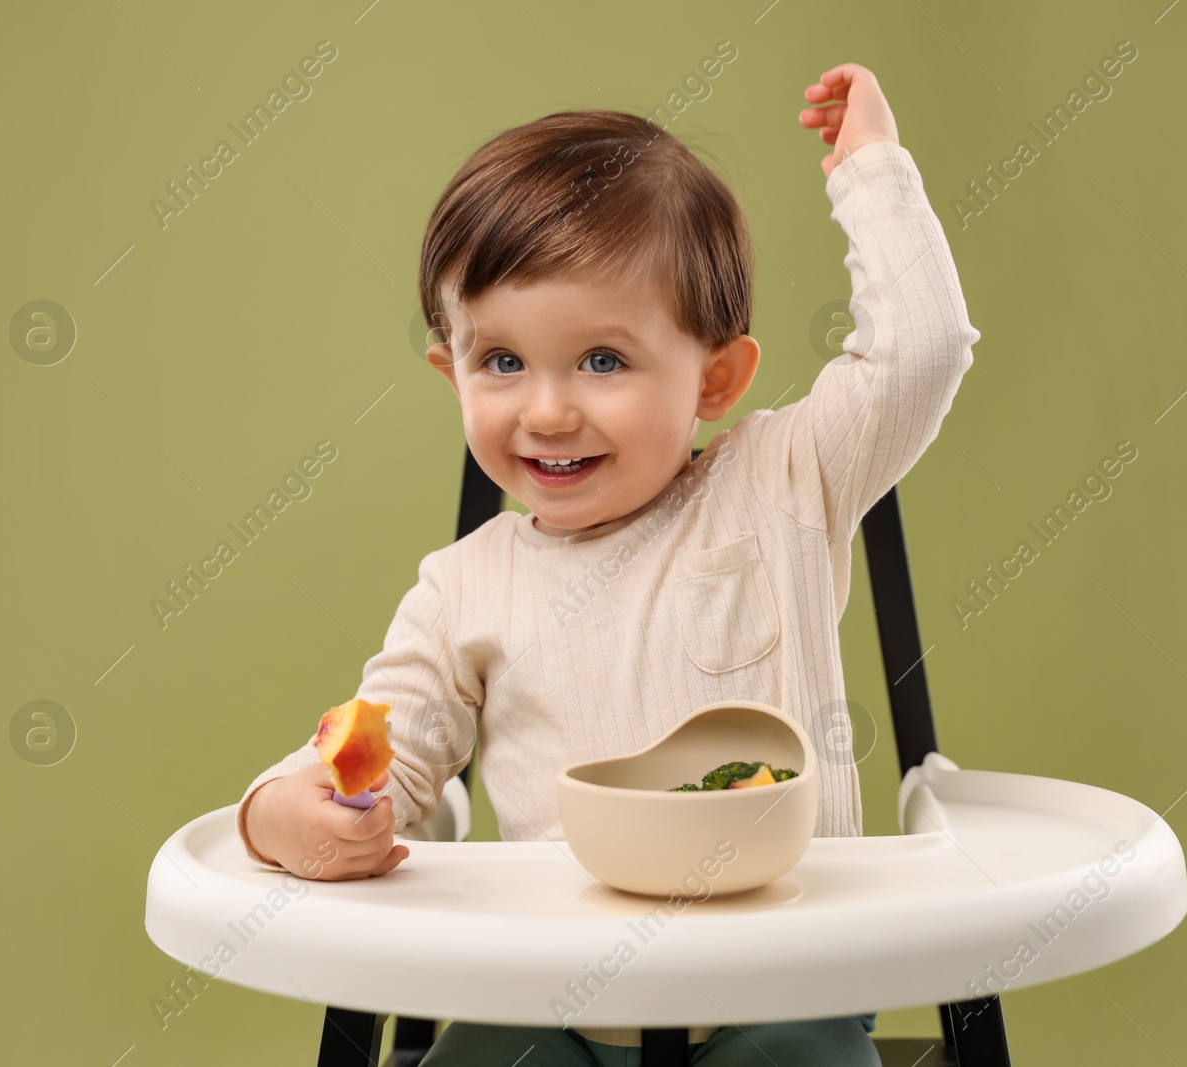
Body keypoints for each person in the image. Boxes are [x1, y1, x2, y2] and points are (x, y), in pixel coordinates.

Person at [236, 62, 980, 1065]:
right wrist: (287, 808)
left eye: (601, 360)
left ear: (714, 375)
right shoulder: (462, 588)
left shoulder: (782, 484)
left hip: (783, 983)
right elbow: (383, 753)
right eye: (501, 361)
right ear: (450, 371)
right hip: (552, 997)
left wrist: (871, 172)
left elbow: (923, 351)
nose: (545, 410)